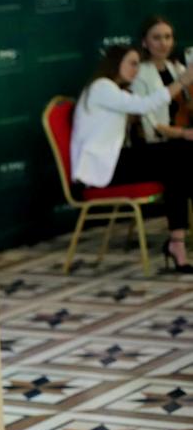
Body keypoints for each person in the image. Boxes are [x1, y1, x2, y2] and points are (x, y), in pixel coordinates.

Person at [71, 44, 193, 271]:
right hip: (101, 170)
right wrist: (182, 81)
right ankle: (177, 243)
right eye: (132, 64)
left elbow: (152, 122)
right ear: (116, 63)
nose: (136, 69)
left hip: (115, 161)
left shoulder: (118, 90)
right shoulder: (101, 87)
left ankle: (177, 243)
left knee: (177, 164)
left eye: (138, 64)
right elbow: (144, 105)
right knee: (178, 158)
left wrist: (182, 133)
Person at [130, 15, 190, 142]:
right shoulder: (138, 73)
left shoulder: (177, 68)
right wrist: (183, 133)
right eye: (156, 38)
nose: (163, 43)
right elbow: (149, 122)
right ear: (144, 42)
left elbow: (187, 105)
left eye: (168, 37)